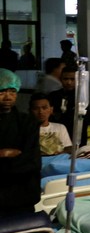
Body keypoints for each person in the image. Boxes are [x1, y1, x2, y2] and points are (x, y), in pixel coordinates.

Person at [0, 69, 40, 217]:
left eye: (12, 91)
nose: (8, 97)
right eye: (2, 91)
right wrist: (6, 154)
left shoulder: (27, 123)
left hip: (23, 194)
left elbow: (32, 161)